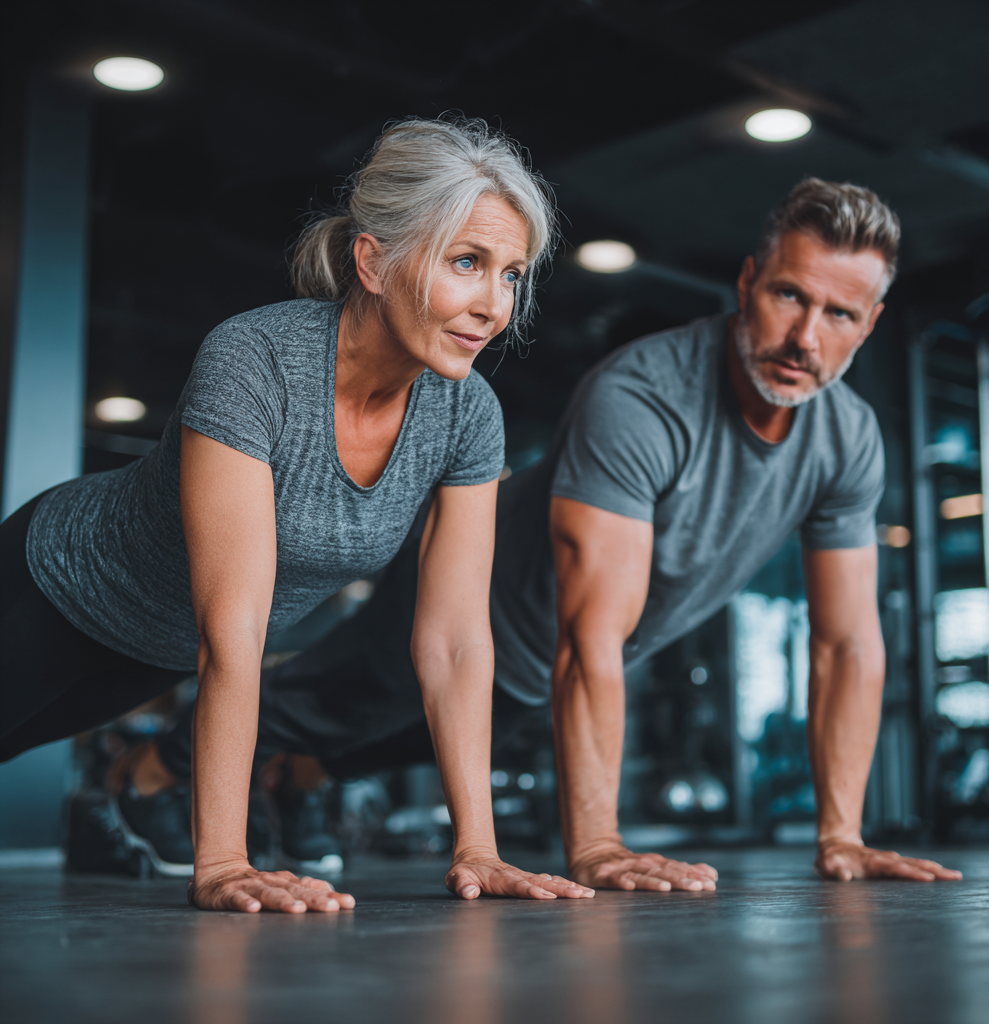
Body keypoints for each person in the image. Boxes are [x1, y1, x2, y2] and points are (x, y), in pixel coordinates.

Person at [115, 178, 963, 888]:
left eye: (840, 314)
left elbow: (847, 644)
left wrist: (840, 837)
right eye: (789, 296)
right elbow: (589, 639)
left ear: (871, 323)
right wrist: (597, 847)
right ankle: (145, 777)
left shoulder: (848, 438)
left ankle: (300, 782)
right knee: (323, 707)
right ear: (748, 283)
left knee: (383, 745)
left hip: (535, 678)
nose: (805, 338)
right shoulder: (645, 397)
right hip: (476, 610)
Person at [0, 117, 595, 911]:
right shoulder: (255, 361)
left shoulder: (468, 416)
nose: (494, 304)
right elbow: (234, 629)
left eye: (512, 274)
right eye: (467, 262)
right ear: (373, 261)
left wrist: (478, 850)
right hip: (57, 588)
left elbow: (454, 642)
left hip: (154, 651)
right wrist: (224, 862)